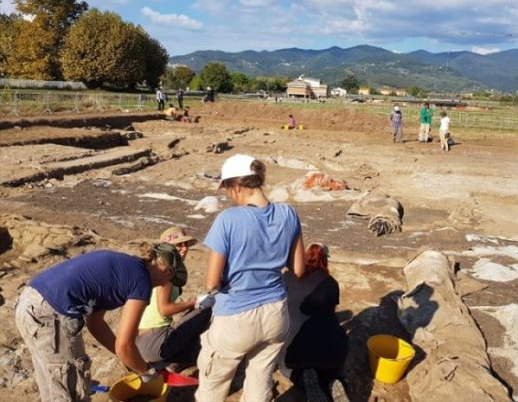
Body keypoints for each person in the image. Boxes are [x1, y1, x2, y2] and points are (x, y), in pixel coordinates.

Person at [196, 154, 306, 402]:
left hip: (235, 316)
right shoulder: (288, 213)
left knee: (214, 383)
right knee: (259, 381)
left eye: (226, 188)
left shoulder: (228, 219)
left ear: (237, 185)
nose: (227, 195)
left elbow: (212, 283)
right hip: (275, 313)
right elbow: (299, 270)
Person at [14, 243, 186, 402]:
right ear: (166, 270)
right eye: (171, 280)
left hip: (29, 303)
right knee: (71, 387)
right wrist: (146, 372)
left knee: (55, 382)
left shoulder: (126, 268)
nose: (165, 285)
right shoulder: (142, 281)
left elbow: (96, 324)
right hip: (51, 314)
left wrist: (129, 360)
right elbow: (124, 345)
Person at [136, 228, 211, 372]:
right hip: (154, 340)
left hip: (142, 341)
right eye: (179, 245)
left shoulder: (155, 269)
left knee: (191, 316)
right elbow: (164, 310)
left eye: (186, 245)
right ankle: (177, 360)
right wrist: (192, 302)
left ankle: (172, 361)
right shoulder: (165, 274)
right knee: (206, 308)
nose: (184, 249)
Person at [283, 243, 349, 401]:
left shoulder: (287, 277)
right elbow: (329, 313)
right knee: (339, 338)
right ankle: (332, 380)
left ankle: (304, 380)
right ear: (325, 260)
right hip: (327, 354)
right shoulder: (331, 283)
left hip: (294, 349)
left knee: (285, 365)